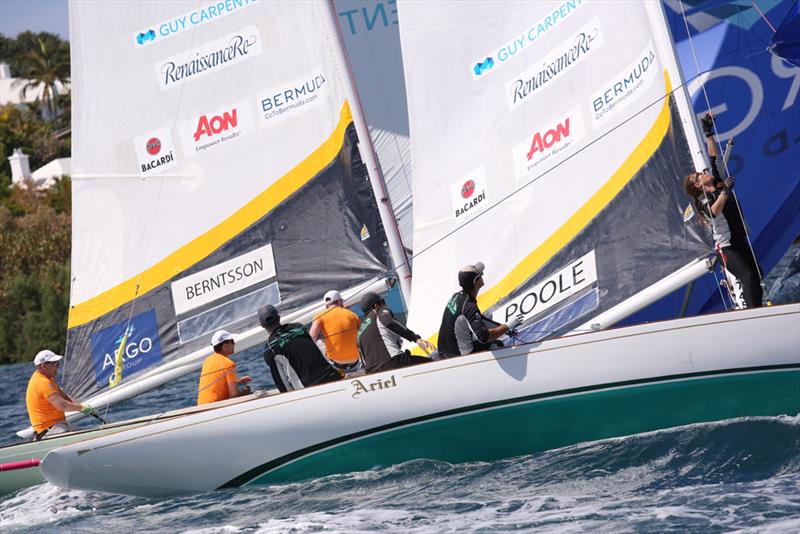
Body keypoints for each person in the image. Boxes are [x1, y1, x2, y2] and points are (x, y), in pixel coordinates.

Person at [683, 113, 763, 308]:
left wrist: (708, 132)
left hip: (740, 240)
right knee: (748, 277)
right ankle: (754, 319)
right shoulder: (703, 199)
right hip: (726, 248)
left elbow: (714, 157)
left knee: (757, 279)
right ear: (697, 186)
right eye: (698, 175)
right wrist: (726, 192)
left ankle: (759, 314)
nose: (703, 172)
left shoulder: (718, 181)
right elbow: (713, 212)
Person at [438, 262, 524, 357]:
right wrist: (507, 326)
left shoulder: (457, 296)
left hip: (444, 351)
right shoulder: (468, 306)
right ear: (476, 281)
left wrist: (503, 328)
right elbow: (484, 337)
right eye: (481, 275)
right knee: (497, 345)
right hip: (457, 356)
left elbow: (478, 319)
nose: (483, 276)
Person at [258, 304, 341, 392]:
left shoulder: (269, 347)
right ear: (279, 317)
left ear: (262, 325)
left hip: (310, 389)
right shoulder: (298, 326)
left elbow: (281, 381)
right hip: (333, 376)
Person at [357, 291, 435, 373]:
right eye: (382, 302)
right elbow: (389, 322)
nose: (385, 305)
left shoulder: (360, 332)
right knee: (431, 363)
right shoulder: (377, 311)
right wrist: (416, 339)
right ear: (376, 305)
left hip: (373, 372)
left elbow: (363, 359)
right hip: (393, 362)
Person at [26, 349, 93, 439]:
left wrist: (82, 406)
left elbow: (64, 397)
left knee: (90, 433)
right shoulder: (42, 382)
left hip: (57, 427)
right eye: (55, 363)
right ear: (44, 366)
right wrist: (82, 408)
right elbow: (62, 405)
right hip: (49, 431)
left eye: (58, 363)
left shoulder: (47, 379)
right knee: (89, 437)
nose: (58, 366)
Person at [309, 290, 361, 374]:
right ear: (339, 301)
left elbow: (311, 338)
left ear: (327, 305)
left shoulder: (319, 316)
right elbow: (362, 335)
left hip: (337, 363)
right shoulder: (352, 315)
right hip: (354, 361)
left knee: (320, 342)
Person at [197, 330, 252, 405]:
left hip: (201, 406)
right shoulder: (228, 364)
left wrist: (238, 382)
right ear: (224, 346)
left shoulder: (207, 361)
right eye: (232, 341)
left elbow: (217, 383)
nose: (234, 343)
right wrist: (245, 393)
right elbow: (234, 395)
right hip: (214, 408)